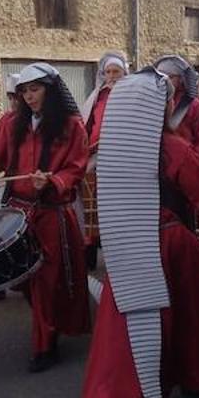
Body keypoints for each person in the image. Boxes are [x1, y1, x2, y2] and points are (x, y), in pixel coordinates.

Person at [80, 67, 199, 398]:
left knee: (129, 318)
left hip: (127, 240)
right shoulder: (174, 149)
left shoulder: (110, 151)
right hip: (168, 241)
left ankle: (120, 393)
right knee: (188, 313)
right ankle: (191, 377)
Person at [0, 63, 91, 372]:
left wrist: (54, 180)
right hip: (16, 213)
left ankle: (45, 344)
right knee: (26, 281)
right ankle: (49, 327)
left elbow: (76, 167)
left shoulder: (71, 125)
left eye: (36, 89)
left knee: (47, 280)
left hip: (52, 214)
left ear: (51, 90)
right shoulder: (11, 123)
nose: (29, 97)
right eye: (24, 91)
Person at [81, 52, 128, 269]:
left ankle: (119, 256)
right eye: (108, 72)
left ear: (124, 72)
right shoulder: (96, 96)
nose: (111, 76)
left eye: (116, 71)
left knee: (118, 208)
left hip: (122, 156)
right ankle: (88, 252)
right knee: (90, 205)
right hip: (95, 154)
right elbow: (87, 124)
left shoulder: (131, 93)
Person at [155, 55, 199, 159]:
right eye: (160, 77)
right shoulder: (151, 103)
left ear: (181, 79)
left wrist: (191, 163)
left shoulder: (195, 107)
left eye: (171, 77)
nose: (164, 81)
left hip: (184, 164)